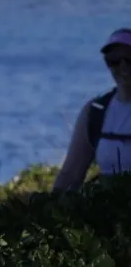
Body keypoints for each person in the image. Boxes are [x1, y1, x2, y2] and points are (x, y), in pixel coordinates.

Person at [53, 28, 131, 192]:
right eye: (114, 60)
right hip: (107, 211)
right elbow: (71, 174)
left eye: (129, 59)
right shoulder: (96, 112)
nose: (123, 67)